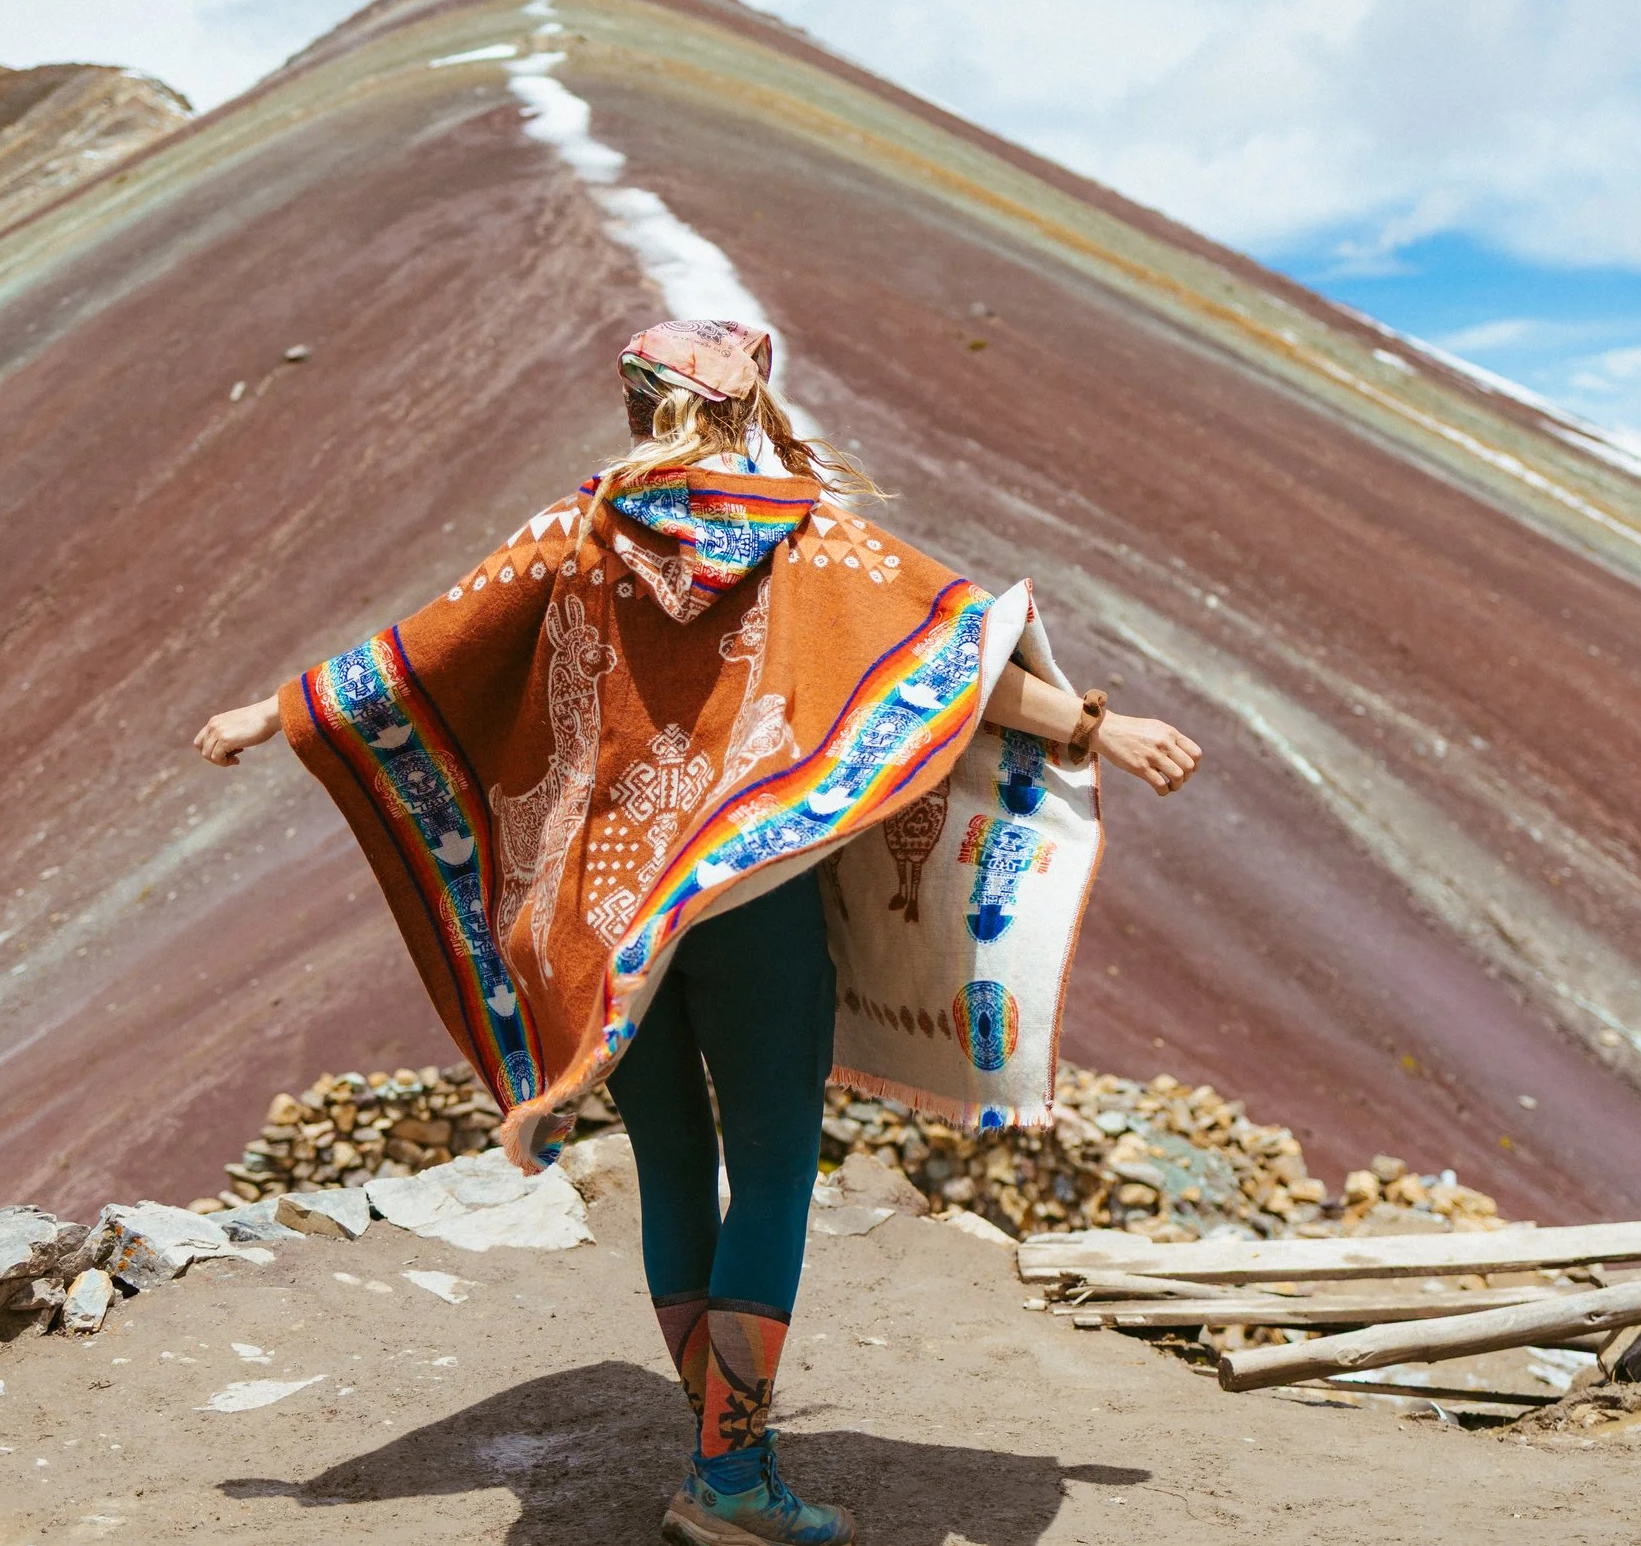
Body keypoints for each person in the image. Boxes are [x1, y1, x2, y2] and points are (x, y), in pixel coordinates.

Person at [196, 319, 1199, 1546]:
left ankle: (722, 1445)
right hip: (748, 898)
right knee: (772, 1168)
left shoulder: (575, 529)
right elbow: (957, 660)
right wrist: (1100, 727)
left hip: (612, 914)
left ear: (640, 408)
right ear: (747, 401)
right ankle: (730, 1475)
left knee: (672, 1161)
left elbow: (422, 650)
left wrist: (273, 711)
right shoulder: (808, 535)